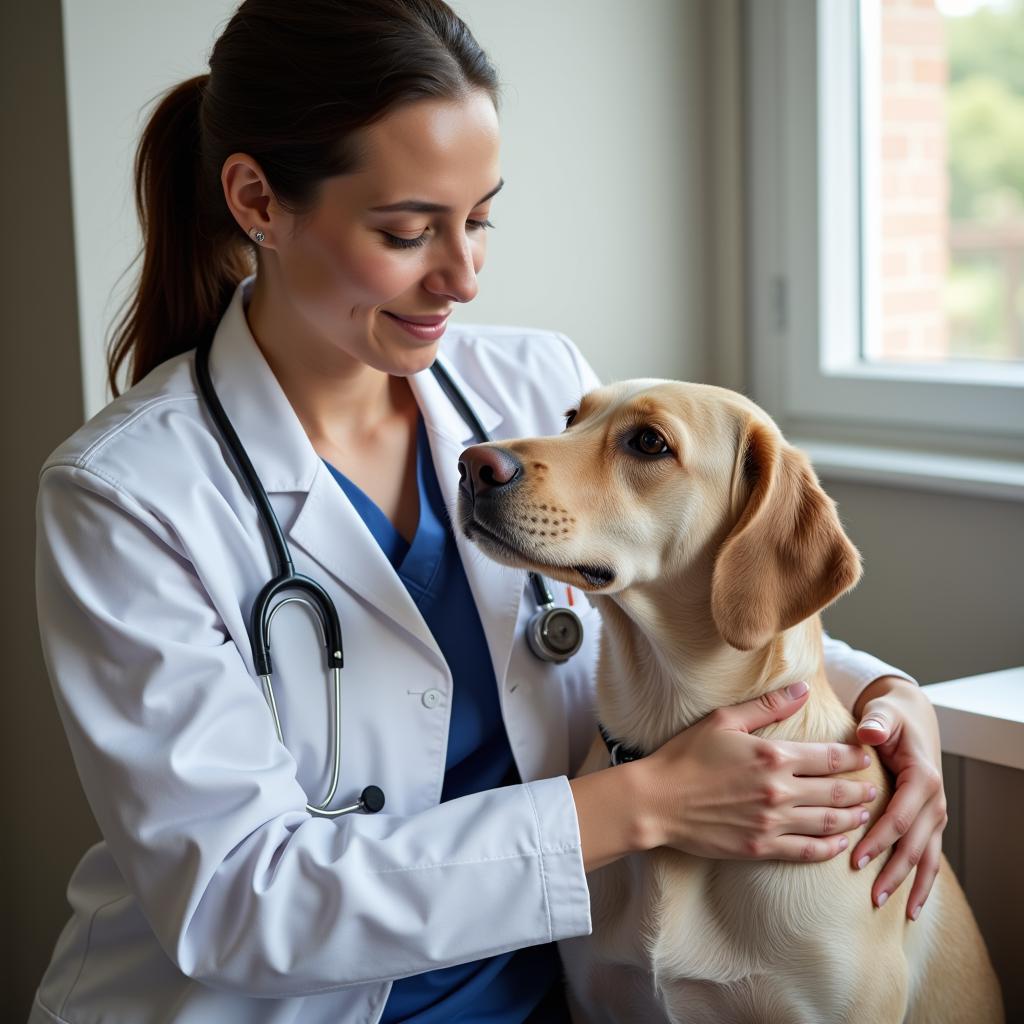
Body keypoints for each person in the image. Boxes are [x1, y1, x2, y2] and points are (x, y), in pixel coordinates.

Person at [30, 1, 948, 1021]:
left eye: (479, 218)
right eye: (408, 230)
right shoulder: (127, 492)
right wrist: (638, 804)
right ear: (258, 201)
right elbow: (239, 901)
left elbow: (698, 586)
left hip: (542, 991)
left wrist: (889, 701)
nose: (460, 275)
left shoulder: (533, 389)